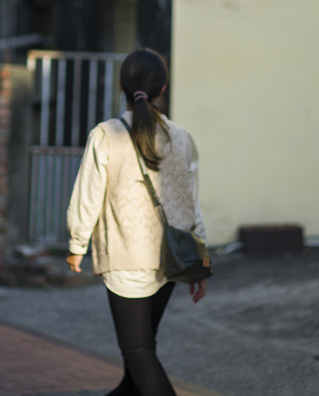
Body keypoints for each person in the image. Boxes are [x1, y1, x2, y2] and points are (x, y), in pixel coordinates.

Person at [66, 48, 208, 396]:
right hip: (171, 259)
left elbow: (88, 195)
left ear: (121, 86)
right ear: (163, 87)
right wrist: (200, 261)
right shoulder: (182, 137)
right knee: (139, 362)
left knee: (138, 352)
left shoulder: (105, 134)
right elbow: (192, 202)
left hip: (126, 259)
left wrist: (76, 244)